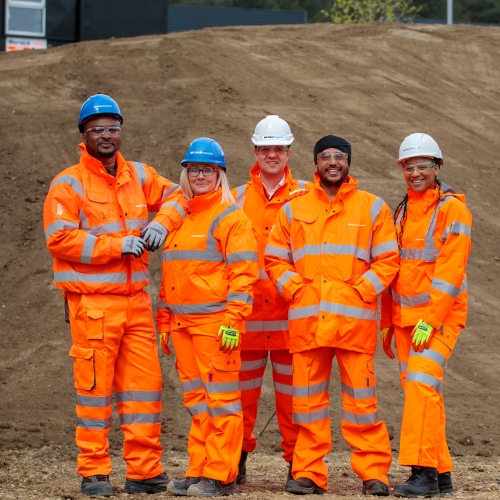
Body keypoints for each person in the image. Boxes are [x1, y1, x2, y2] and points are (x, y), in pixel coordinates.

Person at [43, 94, 188, 497]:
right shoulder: (68, 183)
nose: (107, 136)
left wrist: (163, 222)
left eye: (113, 128)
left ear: (121, 132)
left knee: (144, 389)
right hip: (93, 304)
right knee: (94, 392)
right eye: (98, 130)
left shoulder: (140, 175)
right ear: (83, 135)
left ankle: (144, 472)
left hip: (137, 300)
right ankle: (95, 473)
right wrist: (116, 246)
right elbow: (58, 239)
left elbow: (180, 195)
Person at [264, 135, 400, 496]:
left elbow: (388, 261)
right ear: (316, 163)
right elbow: (274, 259)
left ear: (349, 163)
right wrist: (296, 289)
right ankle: (308, 472)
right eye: (326, 157)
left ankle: (373, 472)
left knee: (362, 405)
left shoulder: (373, 208)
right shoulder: (293, 209)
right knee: (307, 404)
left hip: (354, 323)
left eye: (340, 156)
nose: (333, 162)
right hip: (309, 323)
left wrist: (361, 290)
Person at [155, 138, 258, 498]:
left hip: (216, 327)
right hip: (183, 327)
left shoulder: (231, 217)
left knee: (223, 402)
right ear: (186, 173)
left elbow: (245, 274)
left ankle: (220, 474)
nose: (200, 175)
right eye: (194, 169)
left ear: (220, 175)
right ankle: (199, 468)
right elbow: (170, 276)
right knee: (198, 403)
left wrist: (233, 320)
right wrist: (166, 320)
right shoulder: (180, 218)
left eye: (208, 170)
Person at [380, 133, 472, 498]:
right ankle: (442, 471)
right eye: (408, 166)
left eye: (422, 166)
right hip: (406, 320)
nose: (415, 173)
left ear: (437, 166)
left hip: (438, 319)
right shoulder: (402, 210)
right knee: (423, 392)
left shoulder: (453, 210)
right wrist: (389, 322)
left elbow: (450, 275)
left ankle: (423, 473)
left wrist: (430, 319)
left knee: (420, 387)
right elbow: (395, 269)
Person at [232, 116, 310, 485]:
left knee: (296, 401)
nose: (272, 155)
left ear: (288, 152)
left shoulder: (308, 195)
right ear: (256, 152)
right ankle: (234, 460)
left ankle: (301, 465)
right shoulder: (234, 198)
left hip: (291, 319)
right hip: (245, 322)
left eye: (278, 149)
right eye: (266, 149)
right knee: (238, 399)